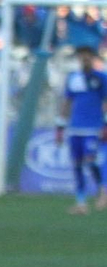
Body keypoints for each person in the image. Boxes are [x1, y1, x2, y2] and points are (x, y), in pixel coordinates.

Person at [55, 45, 107, 215]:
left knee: (91, 161)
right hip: (75, 128)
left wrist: (105, 124)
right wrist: (60, 127)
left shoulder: (101, 78)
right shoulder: (73, 78)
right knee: (77, 165)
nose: (84, 59)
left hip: (93, 127)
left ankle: (102, 189)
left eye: (87, 56)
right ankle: (81, 203)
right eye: (81, 56)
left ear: (92, 58)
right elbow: (67, 103)